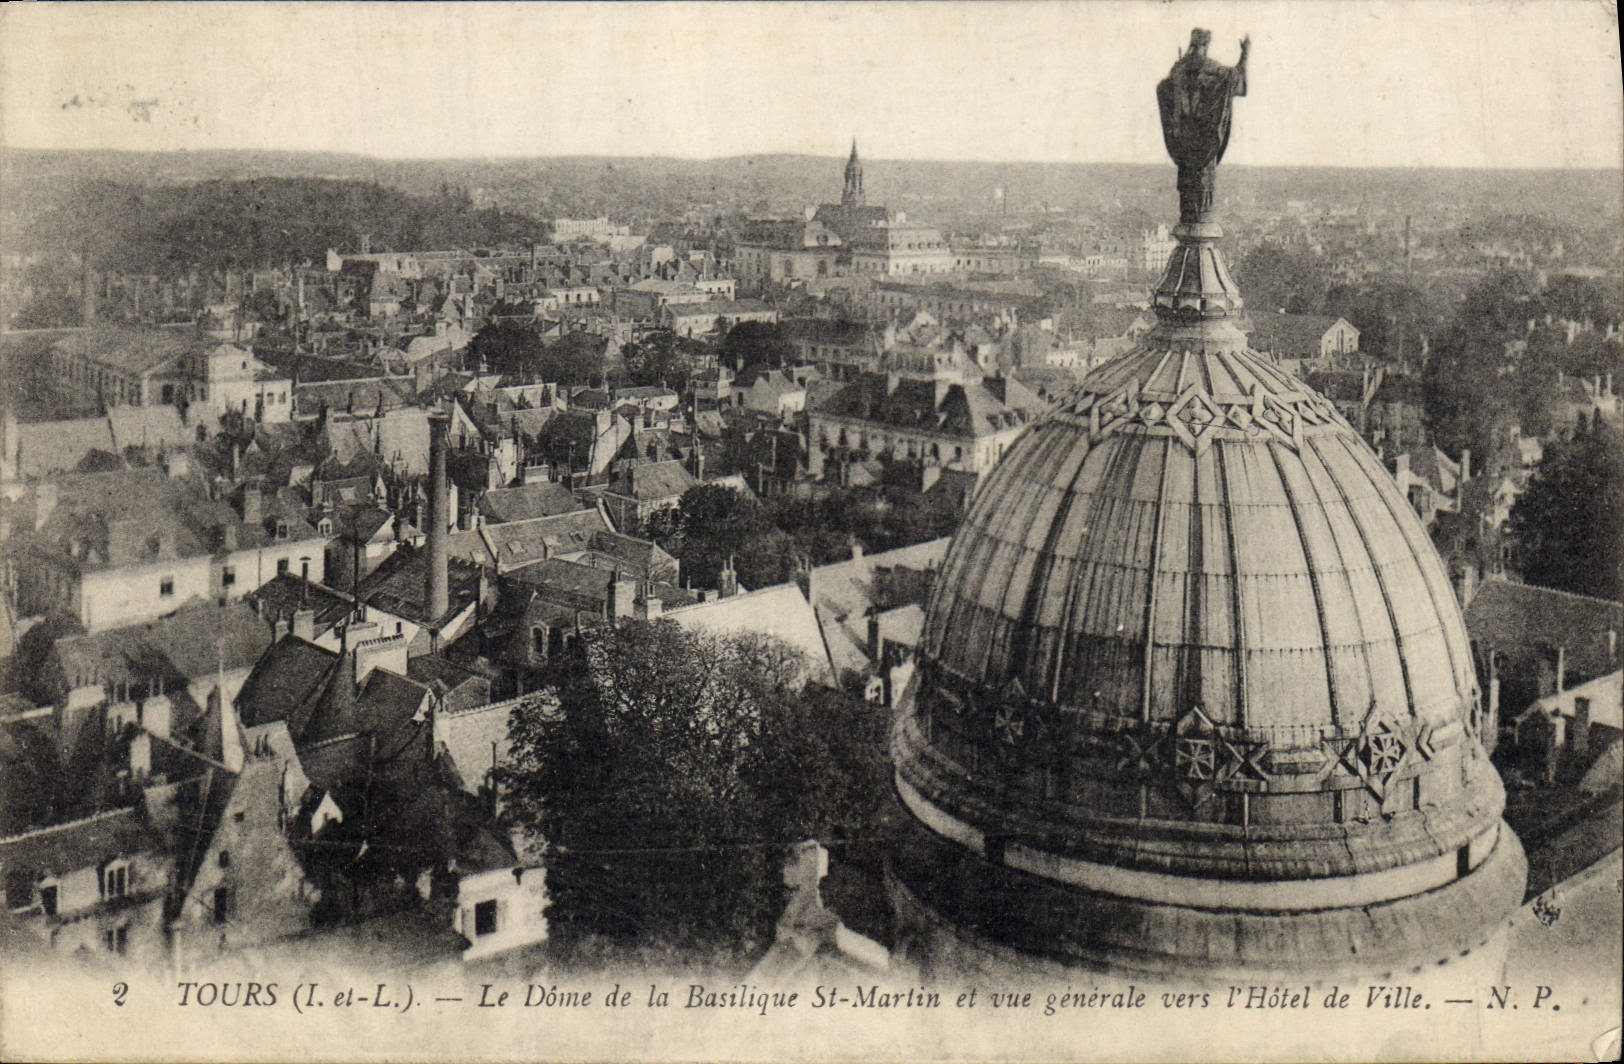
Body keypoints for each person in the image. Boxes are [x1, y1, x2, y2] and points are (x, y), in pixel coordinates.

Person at [1157, 29, 1250, 222]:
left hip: (1183, 147)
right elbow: (1236, 83)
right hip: (1205, 143)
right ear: (1206, 45)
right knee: (1203, 199)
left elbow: (1164, 89)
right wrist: (1244, 56)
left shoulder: (1178, 69)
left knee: (1188, 199)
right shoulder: (1212, 69)